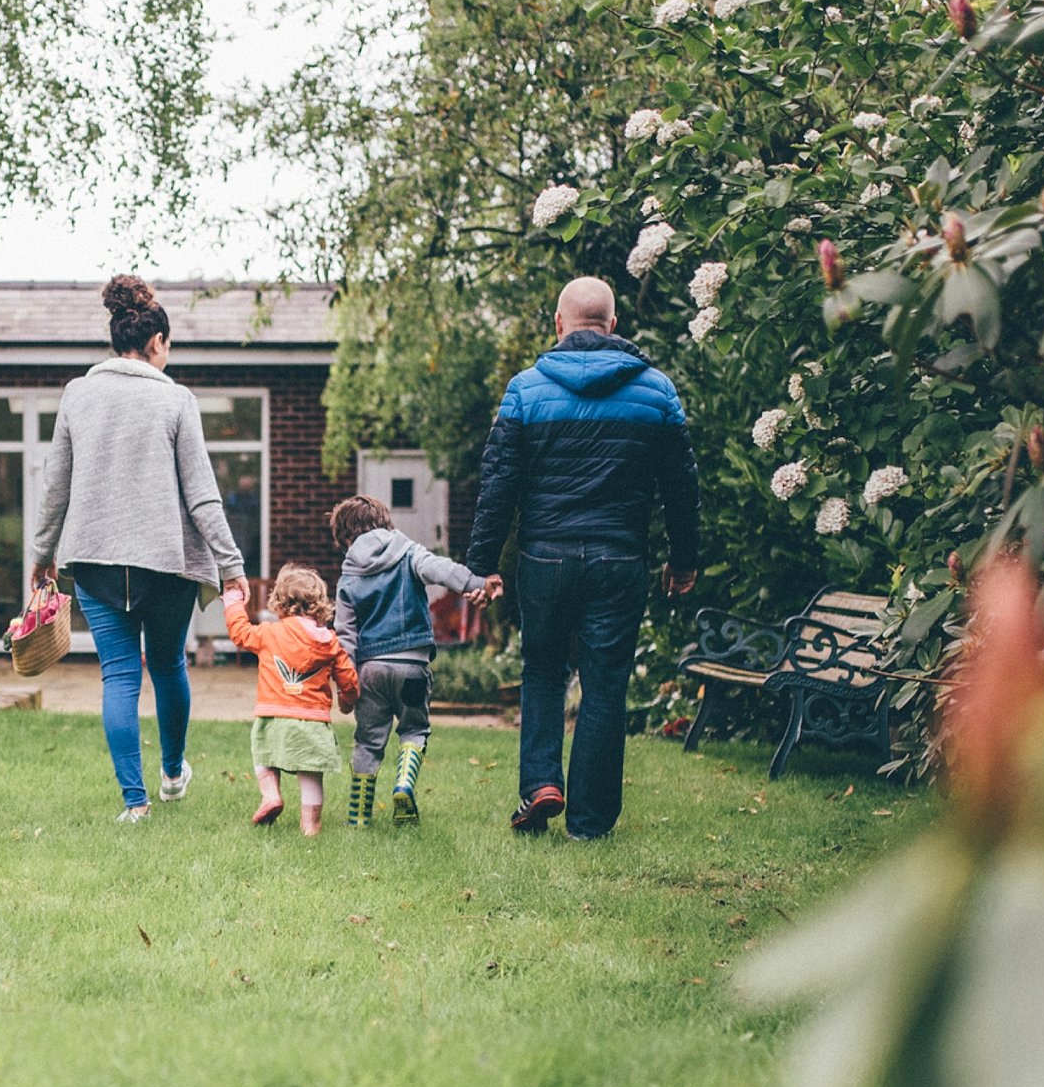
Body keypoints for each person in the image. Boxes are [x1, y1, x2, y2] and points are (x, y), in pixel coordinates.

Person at [462, 275, 699, 840]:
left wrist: (481, 562)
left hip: (545, 559)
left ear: (559, 323)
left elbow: (498, 485)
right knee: (606, 683)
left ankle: (541, 782)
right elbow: (681, 485)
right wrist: (684, 558)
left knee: (543, 670)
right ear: (613, 325)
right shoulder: (657, 392)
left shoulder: (525, 389)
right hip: (620, 562)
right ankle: (590, 822)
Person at [30, 276, 249, 823]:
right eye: (168, 346)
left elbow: (56, 485)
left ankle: (135, 803)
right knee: (170, 664)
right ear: (156, 343)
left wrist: (41, 556)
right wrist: (231, 566)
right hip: (165, 565)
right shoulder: (175, 399)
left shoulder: (77, 393)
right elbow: (201, 495)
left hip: (95, 561)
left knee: (120, 677)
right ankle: (173, 771)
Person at [328, 493, 489, 827]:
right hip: (413, 666)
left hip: (370, 670)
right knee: (414, 728)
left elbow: (344, 633)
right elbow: (441, 570)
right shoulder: (408, 553)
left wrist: (346, 684)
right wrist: (475, 583)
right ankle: (403, 783)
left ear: (346, 538)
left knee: (369, 740)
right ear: (386, 522)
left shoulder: (349, 576)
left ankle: (359, 816)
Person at [221, 566, 359, 836]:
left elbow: (240, 632)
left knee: (264, 755)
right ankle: (311, 825)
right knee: (310, 774)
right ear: (319, 604)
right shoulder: (329, 641)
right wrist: (347, 700)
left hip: (273, 715)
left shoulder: (269, 633)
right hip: (313, 721)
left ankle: (271, 794)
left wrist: (234, 601)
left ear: (279, 602)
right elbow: (348, 678)